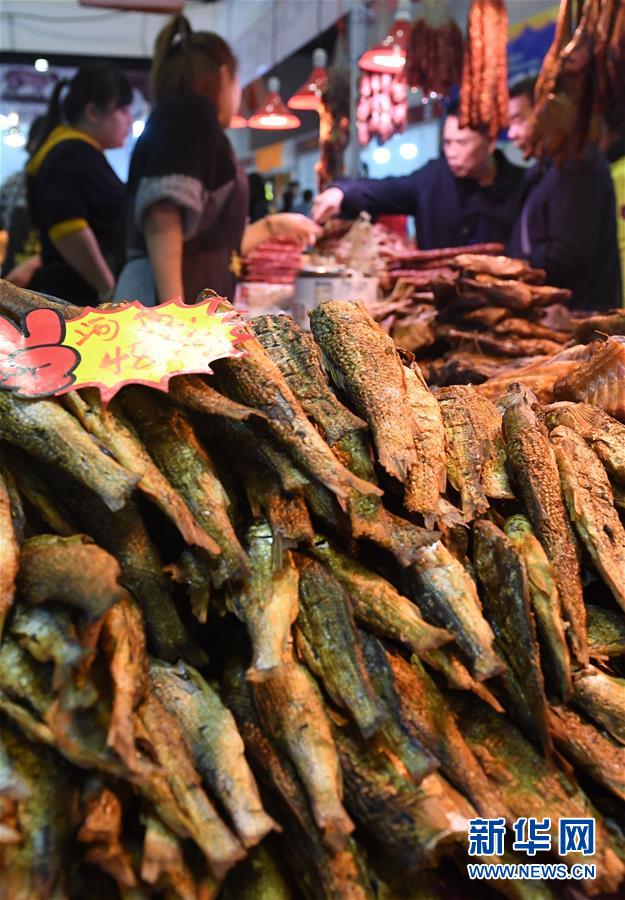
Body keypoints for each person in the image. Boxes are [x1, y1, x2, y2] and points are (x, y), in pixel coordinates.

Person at [116, 17, 319, 306]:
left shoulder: (190, 120)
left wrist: (272, 227)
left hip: (177, 303)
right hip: (158, 307)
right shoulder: (189, 114)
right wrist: (174, 315)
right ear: (224, 76)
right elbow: (163, 214)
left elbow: (216, 245)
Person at [312, 101, 524, 249]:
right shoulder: (433, 179)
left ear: (490, 143)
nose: (451, 152)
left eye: (461, 143)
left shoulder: (522, 186)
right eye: (447, 142)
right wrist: (342, 192)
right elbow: (387, 189)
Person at [507, 77, 621, 311]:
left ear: (547, 114)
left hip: (580, 317)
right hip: (550, 314)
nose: (511, 134)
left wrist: (513, 267)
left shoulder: (578, 164)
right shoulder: (544, 170)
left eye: (519, 120)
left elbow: (568, 253)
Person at [26, 63, 132, 305]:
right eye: (123, 110)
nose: (129, 119)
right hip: (78, 301)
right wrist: (107, 287)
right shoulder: (75, 154)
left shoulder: (70, 151)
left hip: (70, 294)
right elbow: (67, 227)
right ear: (93, 112)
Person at [0, 115, 46, 287]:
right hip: (12, 278)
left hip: (52, 284)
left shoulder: (67, 188)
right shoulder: (14, 184)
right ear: (32, 143)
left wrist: (35, 262)